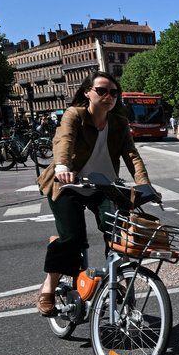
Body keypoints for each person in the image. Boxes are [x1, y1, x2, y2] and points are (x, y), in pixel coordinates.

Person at [35, 71, 150, 316]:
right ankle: (49, 287)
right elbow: (64, 140)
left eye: (114, 92)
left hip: (102, 186)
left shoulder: (118, 122)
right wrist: (62, 166)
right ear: (88, 92)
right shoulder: (75, 115)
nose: (109, 96)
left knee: (118, 233)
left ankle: (114, 280)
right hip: (67, 184)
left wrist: (144, 184)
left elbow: (132, 155)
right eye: (102, 91)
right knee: (72, 239)